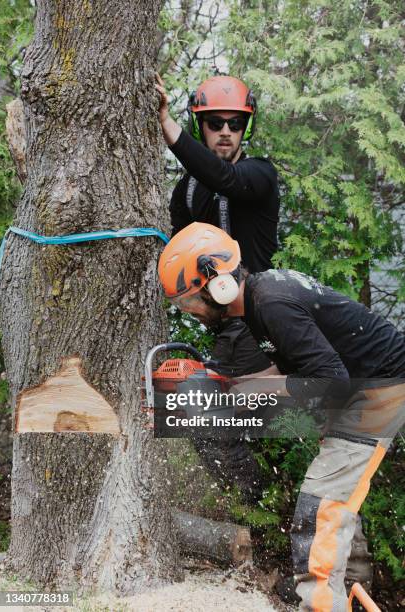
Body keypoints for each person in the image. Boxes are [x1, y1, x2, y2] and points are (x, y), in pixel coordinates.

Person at [157, 222, 405, 611]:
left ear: (218, 284)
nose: (193, 313)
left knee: (320, 509)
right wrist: (227, 386)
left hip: (377, 391)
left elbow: (332, 383)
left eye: (191, 303)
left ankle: (320, 606)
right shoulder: (258, 301)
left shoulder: (271, 303)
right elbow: (289, 369)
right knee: (331, 500)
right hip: (363, 387)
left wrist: (254, 392)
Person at [155, 73, 280, 504]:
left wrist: (168, 127)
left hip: (263, 323)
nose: (226, 131)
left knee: (283, 421)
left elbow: (226, 179)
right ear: (200, 124)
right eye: (214, 122)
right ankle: (256, 507)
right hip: (221, 328)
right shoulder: (186, 190)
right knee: (196, 414)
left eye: (235, 123)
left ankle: (269, 507)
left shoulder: (258, 175)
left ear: (246, 127)